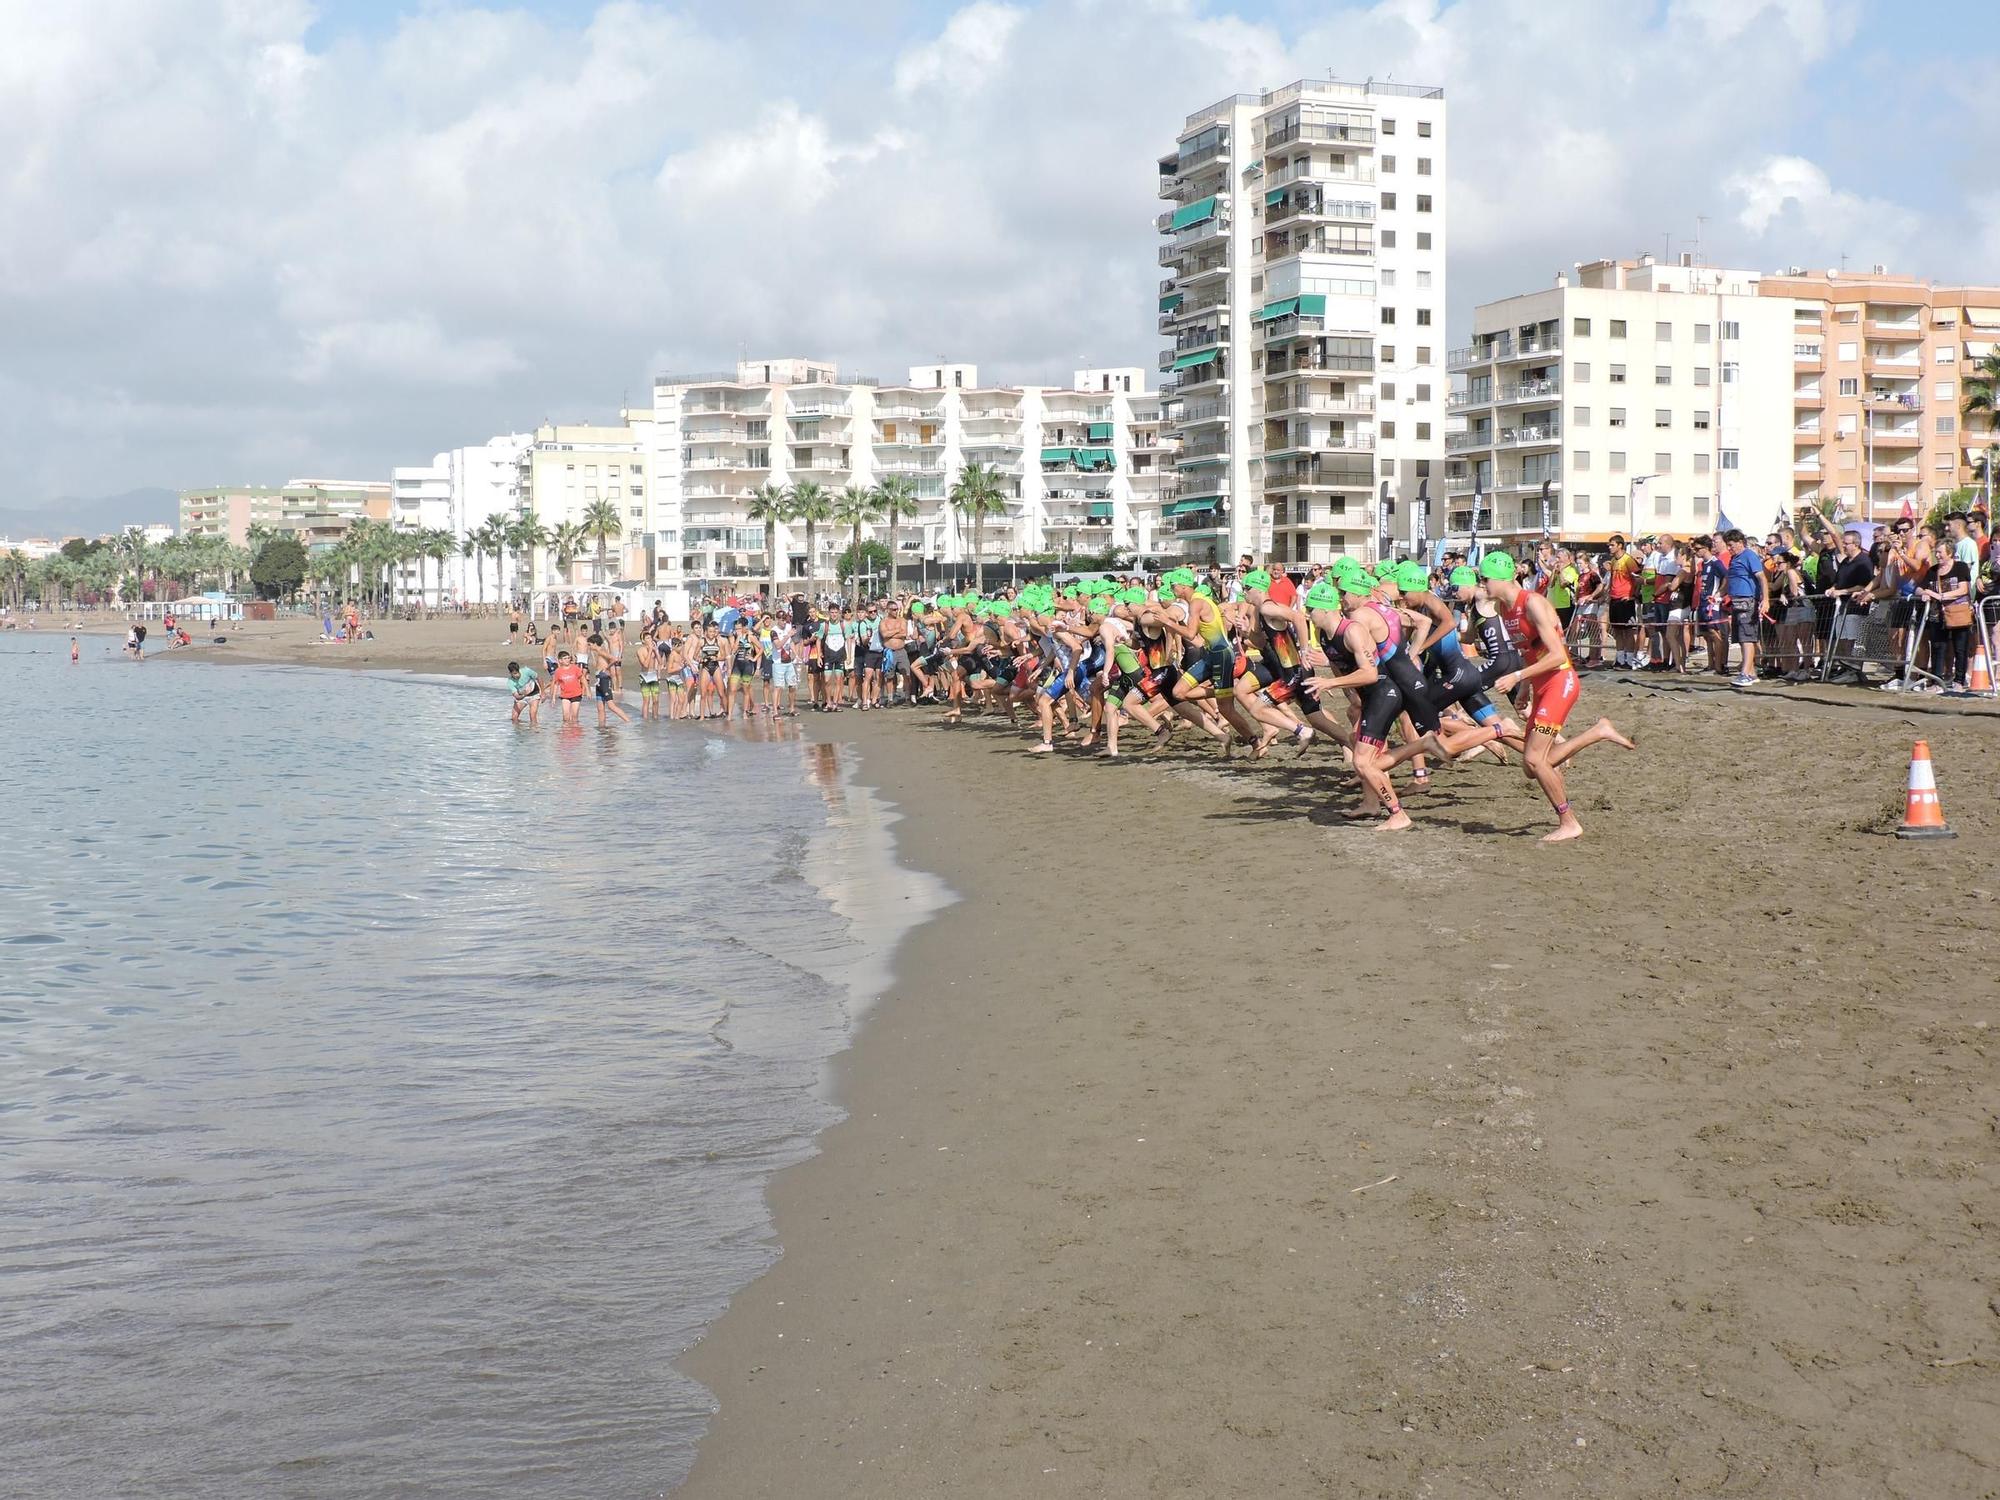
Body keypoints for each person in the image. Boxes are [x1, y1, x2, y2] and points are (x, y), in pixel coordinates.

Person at [1722, 530, 1768, 687]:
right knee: (1741, 638)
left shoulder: (1749, 556)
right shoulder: (1734, 559)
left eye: (1731, 545)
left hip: (1748, 601)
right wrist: (1720, 594)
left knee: (1747, 637)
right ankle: (1751, 672)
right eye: (1727, 545)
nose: (1729, 548)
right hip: (1736, 601)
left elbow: (1762, 578)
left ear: (1740, 542)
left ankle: (1745, 673)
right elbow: (1730, 579)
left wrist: (1765, 600)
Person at [551, 649, 588, 726]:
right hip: (565, 696)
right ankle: (566, 733)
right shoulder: (558, 671)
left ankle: (575, 733)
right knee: (566, 717)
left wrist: (587, 690)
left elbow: (583, 679)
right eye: (565, 658)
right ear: (560, 660)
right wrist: (553, 697)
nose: (567, 660)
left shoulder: (575, 668)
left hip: (576, 694)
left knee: (574, 717)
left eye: (568, 658)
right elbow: (555, 684)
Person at [507, 660, 540, 725]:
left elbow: (539, 678)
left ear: (519, 670)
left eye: (517, 672)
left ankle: (535, 731)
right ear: (510, 673)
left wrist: (543, 693)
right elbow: (516, 696)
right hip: (522, 697)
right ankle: (520, 731)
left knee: (532, 715)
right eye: (514, 674)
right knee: (514, 718)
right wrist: (524, 695)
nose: (517, 675)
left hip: (534, 694)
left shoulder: (527, 671)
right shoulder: (510, 682)